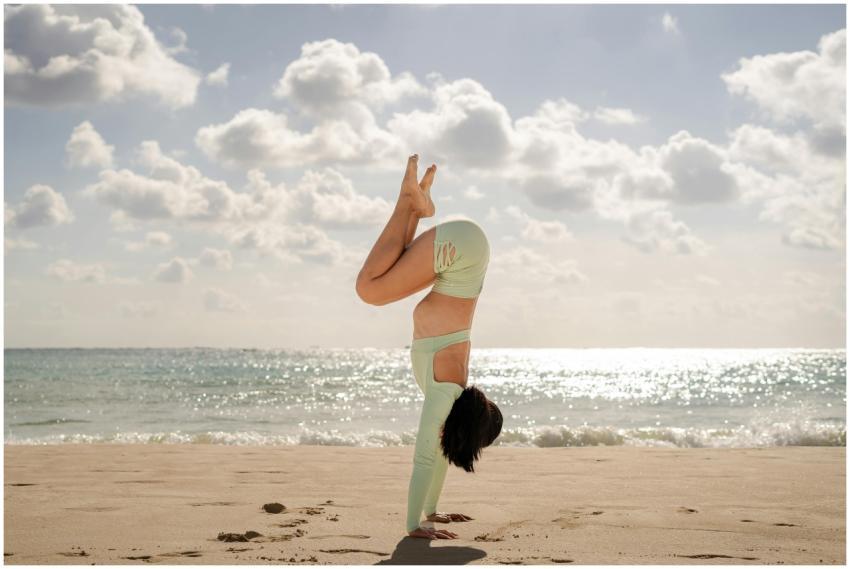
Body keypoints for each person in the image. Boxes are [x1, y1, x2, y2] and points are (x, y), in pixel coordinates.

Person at [356, 154, 503, 540]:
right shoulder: (445, 390)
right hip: (462, 251)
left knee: (379, 283)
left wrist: (432, 511)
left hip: (468, 250)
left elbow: (436, 454)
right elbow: (425, 457)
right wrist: (414, 526)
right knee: (369, 288)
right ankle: (410, 205)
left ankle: (415, 206)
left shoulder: (451, 390)